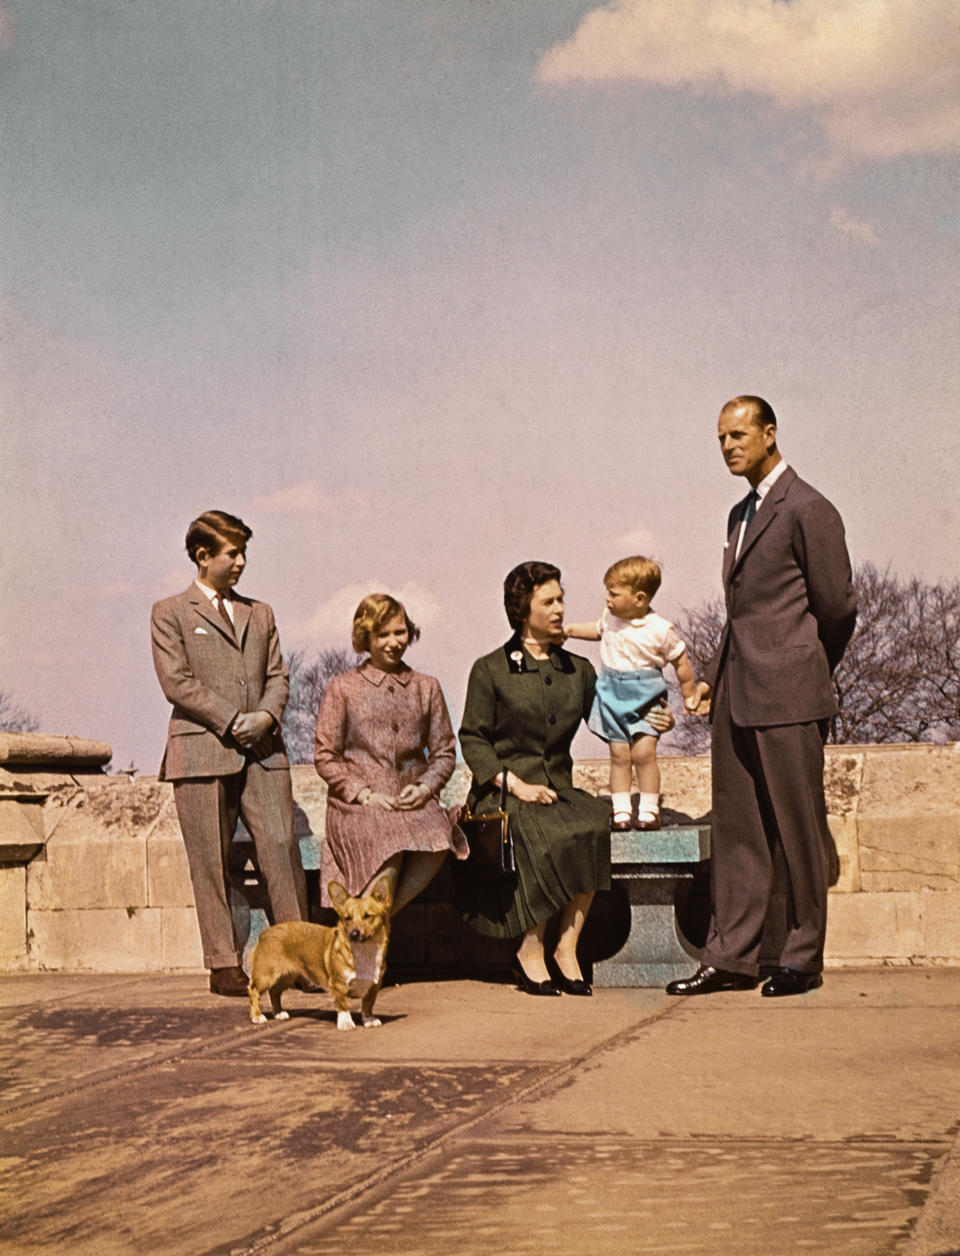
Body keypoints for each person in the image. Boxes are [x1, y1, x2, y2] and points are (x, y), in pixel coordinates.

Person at [668, 396, 857, 998]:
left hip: (790, 693)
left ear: (770, 433)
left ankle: (802, 958)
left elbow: (837, 608)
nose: (728, 445)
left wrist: (803, 668)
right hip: (736, 693)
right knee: (739, 830)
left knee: (799, 830)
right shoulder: (737, 514)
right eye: (721, 437)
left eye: (739, 434)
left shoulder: (809, 508)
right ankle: (732, 956)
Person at [455, 560, 672, 998]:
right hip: (502, 793)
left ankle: (566, 947)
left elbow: (611, 718)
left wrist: (651, 720)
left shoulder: (579, 669)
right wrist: (514, 784)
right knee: (543, 829)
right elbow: (472, 739)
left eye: (561, 599)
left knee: (592, 821)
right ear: (522, 608)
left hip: (557, 790)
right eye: (548, 601)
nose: (559, 609)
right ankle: (530, 949)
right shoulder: (491, 669)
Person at [151, 510, 308, 997]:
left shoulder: (260, 613)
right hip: (200, 752)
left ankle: (302, 958)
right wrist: (230, 719)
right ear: (203, 556)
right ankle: (222, 963)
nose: (241, 562)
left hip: (264, 750)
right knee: (210, 860)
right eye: (231, 553)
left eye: (243, 553)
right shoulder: (169, 612)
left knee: (282, 849)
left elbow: (278, 675)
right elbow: (177, 682)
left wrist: (265, 716)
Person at [313, 593, 468, 915]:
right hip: (357, 807)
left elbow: (444, 753)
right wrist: (364, 794)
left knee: (439, 836)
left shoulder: (427, 687)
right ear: (365, 639)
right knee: (389, 842)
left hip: (414, 802)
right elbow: (325, 755)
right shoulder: (343, 688)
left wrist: (425, 788)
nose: (393, 642)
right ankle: (368, 932)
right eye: (382, 634)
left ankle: (372, 924)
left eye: (400, 632)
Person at [565, 555, 697, 831]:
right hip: (612, 694)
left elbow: (681, 662)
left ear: (639, 598)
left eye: (613, 594)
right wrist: (569, 631)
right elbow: (596, 630)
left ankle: (649, 810)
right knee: (619, 755)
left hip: (646, 697)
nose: (606, 599)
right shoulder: (609, 619)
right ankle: (621, 810)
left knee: (644, 754)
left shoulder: (660, 629)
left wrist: (690, 695)